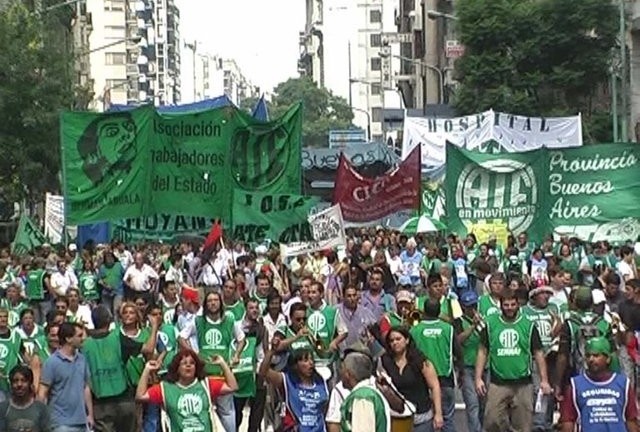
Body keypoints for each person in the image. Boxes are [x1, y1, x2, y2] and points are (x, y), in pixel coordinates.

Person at [136, 350, 239, 431]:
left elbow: (232, 387)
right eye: (184, 363)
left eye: (192, 363)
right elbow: (140, 396)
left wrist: (222, 364)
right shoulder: (165, 388)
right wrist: (147, 369)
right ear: (177, 368)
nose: (188, 365)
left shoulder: (206, 384)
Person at [559, 337, 639, 432]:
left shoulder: (623, 384)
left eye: (596, 355)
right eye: (588, 356)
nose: (591, 359)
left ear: (608, 358)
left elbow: (631, 420)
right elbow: (568, 421)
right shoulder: (575, 385)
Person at [381, 327, 443, 432]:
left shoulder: (420, 360)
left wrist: (438, 413)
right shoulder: (386, 361)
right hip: (397, 417)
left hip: (421, 417)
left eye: (398, 339)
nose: (395, 343)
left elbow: (434, 386)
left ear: (407, 340)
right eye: (391, 341)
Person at [260, 341, 329, 432]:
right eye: (305, 360)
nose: (311, 363)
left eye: (312, 360)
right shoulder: (287, 380)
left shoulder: (321, 383)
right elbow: (264, 372)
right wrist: (272, 351)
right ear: (295, 365)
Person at [38, 321, 94, 432]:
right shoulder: (52, 362)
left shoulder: (82, 359)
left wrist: (90, 414)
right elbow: (42, 392)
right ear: (68, 339)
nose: (83, 339)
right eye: (79, 336)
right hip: (60, 423)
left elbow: (86, 388)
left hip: (82, 421)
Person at [0, 365, 49, 432]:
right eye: (15, 381)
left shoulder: (40, 408)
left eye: (24, 381)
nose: (19, 384)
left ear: (30, 384)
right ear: (11, 384)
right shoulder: (3, 408)